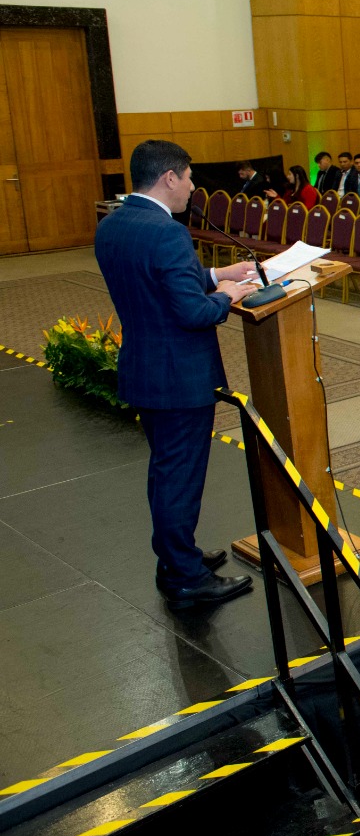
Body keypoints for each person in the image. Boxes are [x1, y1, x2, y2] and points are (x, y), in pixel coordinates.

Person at [94, 140, 259, 610]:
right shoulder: (168, 233)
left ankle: (176, 557)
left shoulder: (115, 224)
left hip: (146, 368)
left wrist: (218, 273)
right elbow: (190, 312)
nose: (192, 187)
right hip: (178, 376)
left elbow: (156, 279)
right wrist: (229, 294)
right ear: (169, 177)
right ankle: (185, 578)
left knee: (167, 470)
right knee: (179, 476)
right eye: (188, 177)